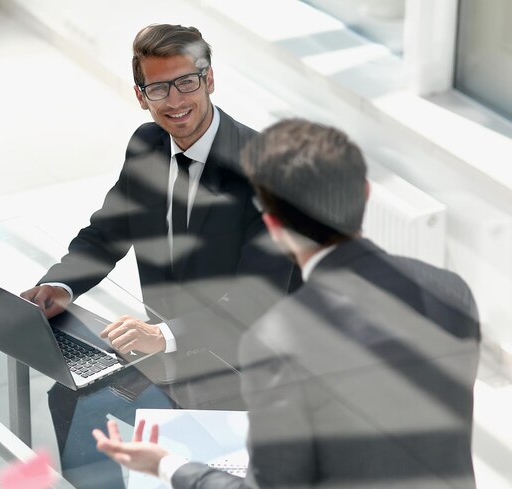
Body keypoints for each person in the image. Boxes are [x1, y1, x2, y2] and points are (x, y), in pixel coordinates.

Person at [93, 119, 481, 488]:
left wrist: (164, 463)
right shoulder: (451, 289)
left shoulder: (278, 339)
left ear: (274, 228)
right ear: (365, 191)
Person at [21, 23, 297, 359]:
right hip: (170, 357)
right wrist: (61, 286)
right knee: (64, 396)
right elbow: (107, 235)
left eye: (186, 82)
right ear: (141, 96)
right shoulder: (147, 144)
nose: (175, 100)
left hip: (251, 365)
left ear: (209, 80)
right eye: (158, 89)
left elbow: (257, 298)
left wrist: (162, 335)